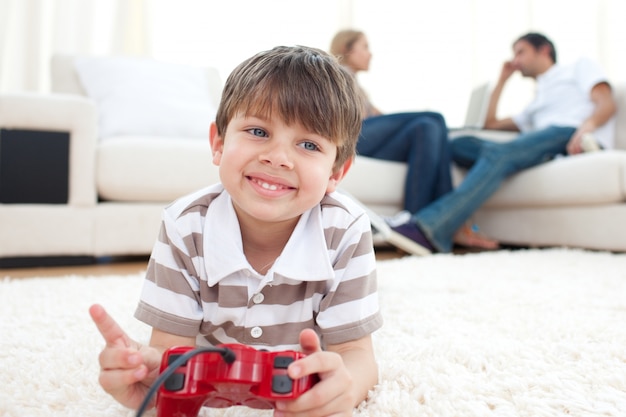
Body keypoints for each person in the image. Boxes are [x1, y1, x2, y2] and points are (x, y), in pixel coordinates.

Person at [89, 45, 383, 416]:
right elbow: (170, 349)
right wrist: (148, 373)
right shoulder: (185, 225)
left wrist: (345, 389)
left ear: (336, 173)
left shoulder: (346, 230)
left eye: (308, 144)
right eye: (258, 131)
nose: (277, 157)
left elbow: (357, 355)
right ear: (218, 143)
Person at [390, 32, 617, 253]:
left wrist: (586, 128)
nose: (515, 61)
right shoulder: (535, 102)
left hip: (569, 134)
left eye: (521, 52)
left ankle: (428, 227)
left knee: (498, 155)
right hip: (539, 142)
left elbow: (607, 103)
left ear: (544, 50)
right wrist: (502, 80)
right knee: (453, 144)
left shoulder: (577, 67)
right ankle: (456, 225)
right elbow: (490, 123)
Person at [329, 29, 498, 250]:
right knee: (435, 118)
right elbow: (354, 120)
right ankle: (448, 223)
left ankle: (418, 225)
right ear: (346, 49)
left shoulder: (361, 88)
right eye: (365, 47)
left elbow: (384, 119)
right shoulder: (337, 75)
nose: (371, 54)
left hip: (370, 136)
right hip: (354, 135)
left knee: (427, 128)